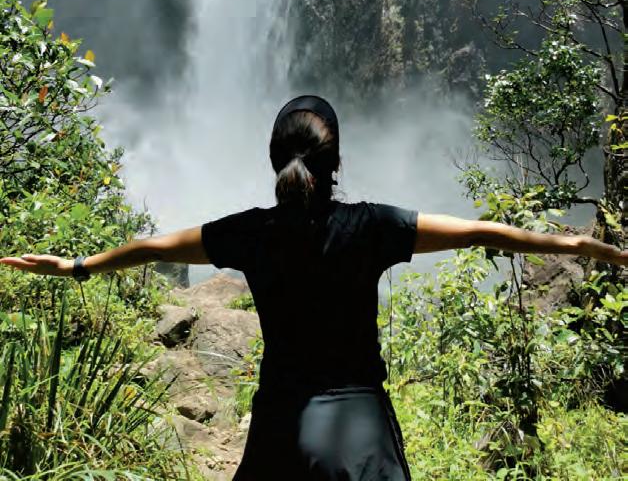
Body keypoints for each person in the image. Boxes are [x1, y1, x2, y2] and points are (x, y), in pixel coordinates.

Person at [2, 94, 626, 480]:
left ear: (276, 161)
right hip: (359, 426)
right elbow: (479, 233)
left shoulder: (248, 234)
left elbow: (154, 247)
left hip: (280, 423)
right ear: (337, 163)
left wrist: (77, 265)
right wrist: (572, 244)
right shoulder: (373, 226)